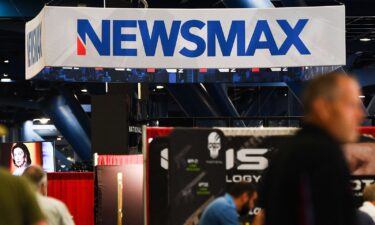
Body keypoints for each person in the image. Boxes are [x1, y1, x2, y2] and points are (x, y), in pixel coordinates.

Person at [259, 72, 364, 225]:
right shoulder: (319, 154)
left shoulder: (287, 152)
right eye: (351, 105)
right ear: (323, 108)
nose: (360, 115)